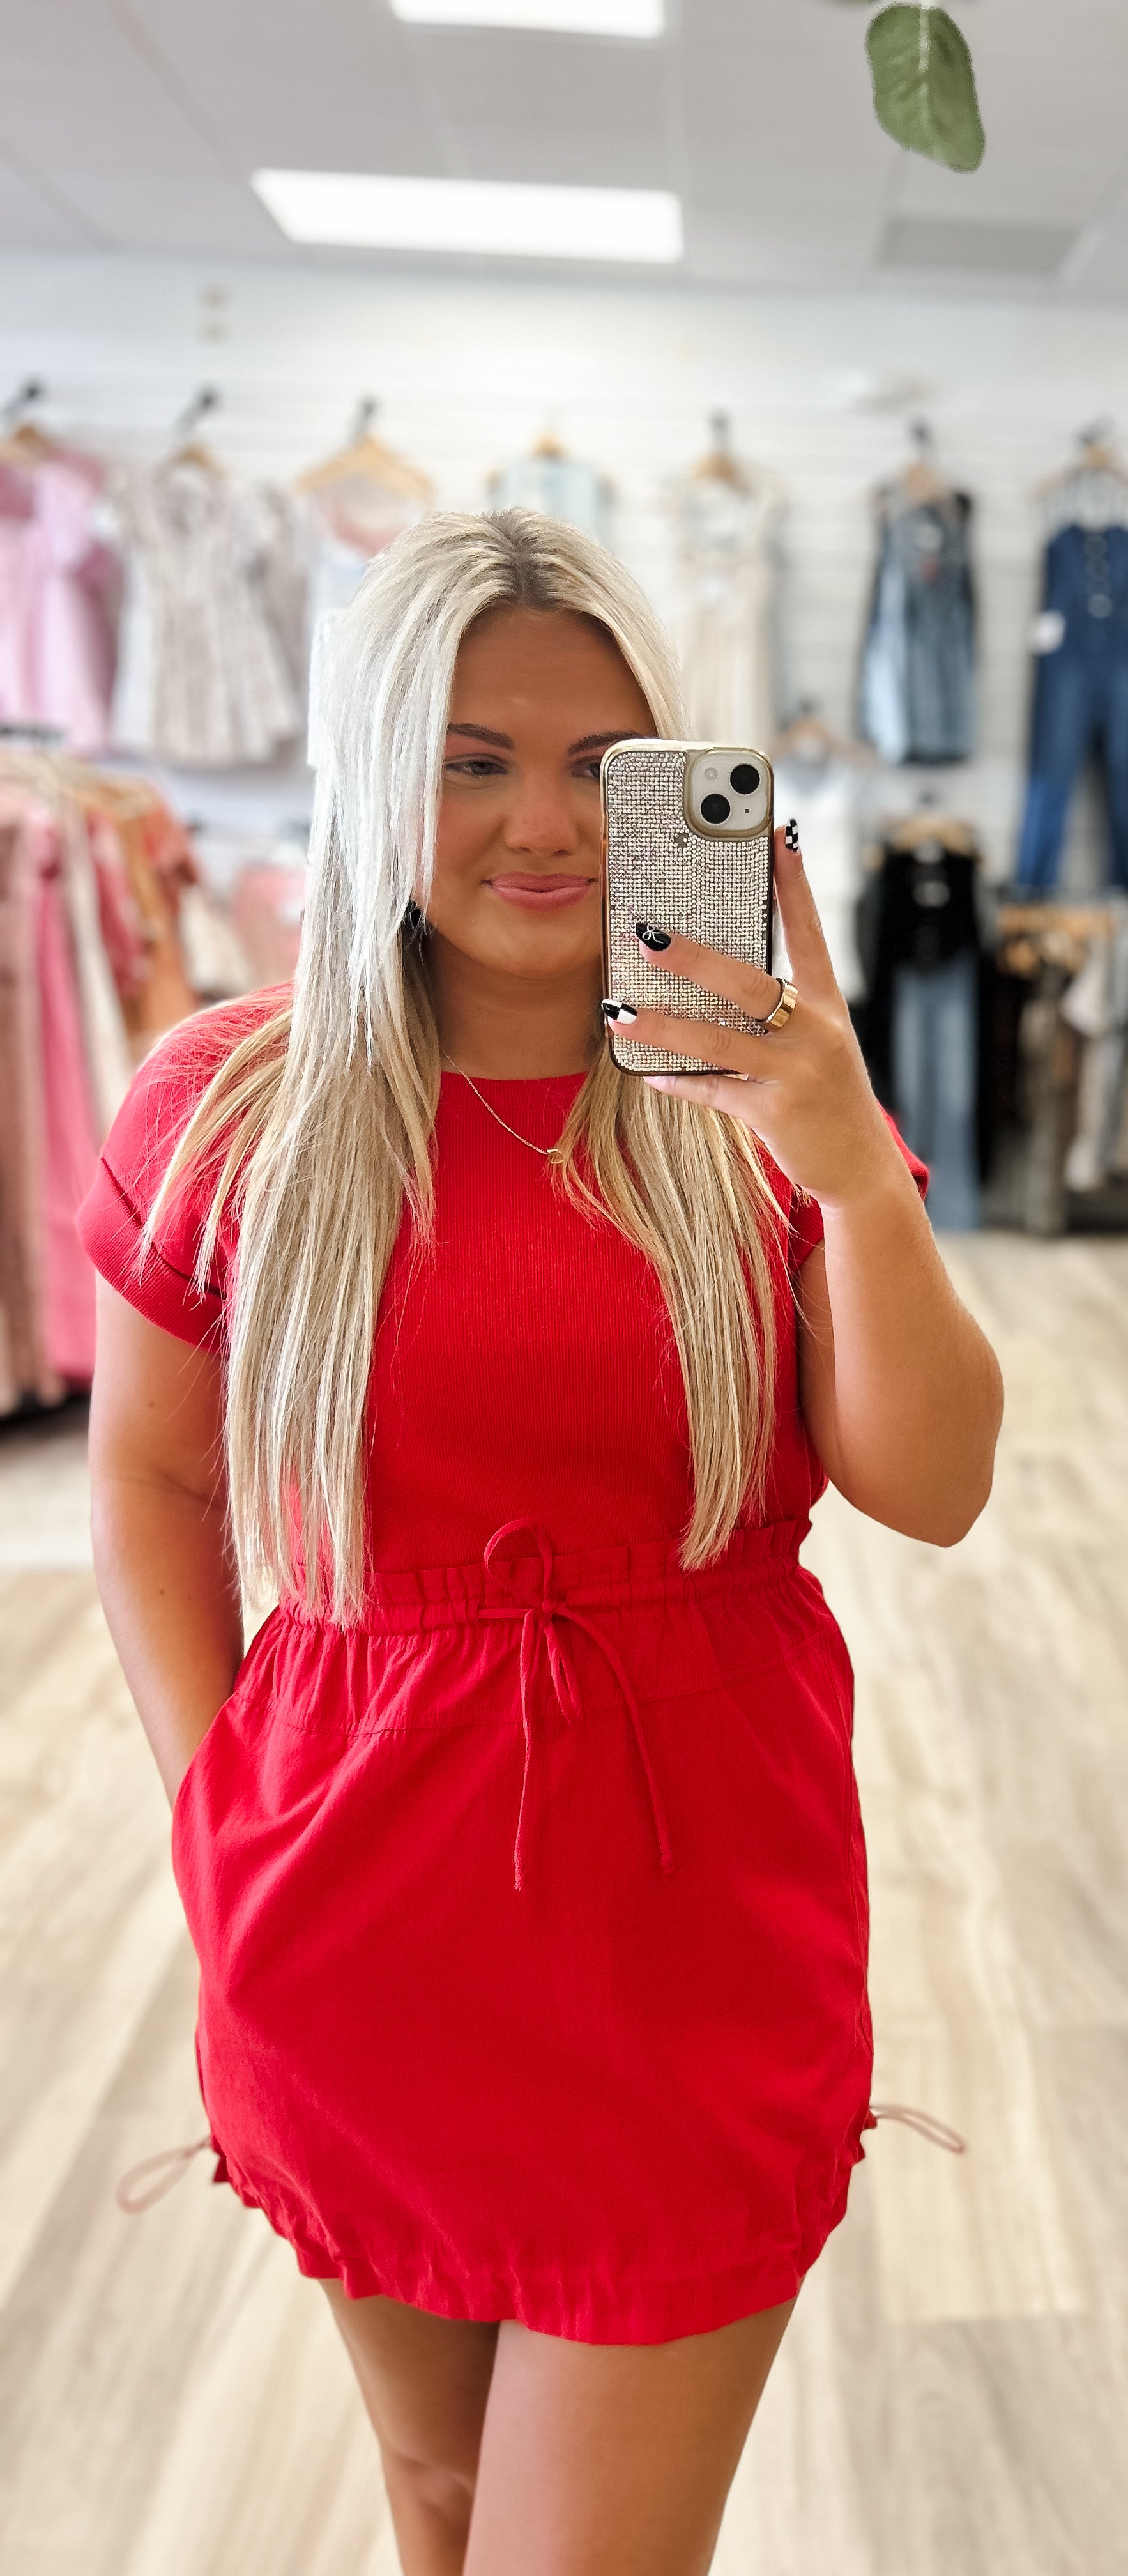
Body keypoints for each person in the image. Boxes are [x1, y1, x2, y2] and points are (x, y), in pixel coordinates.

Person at [82, 509, 1003, 2575]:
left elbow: (936, 1485)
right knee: (435, 2493)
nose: (546, 826)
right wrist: (215, 1801)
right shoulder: (230, 1106)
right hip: (343, 1920)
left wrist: (853, 1168)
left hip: (690, 1934)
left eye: (605, 766)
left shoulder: (757, 1109)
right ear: (369, 774)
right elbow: (149, 1483)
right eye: (471, 760)